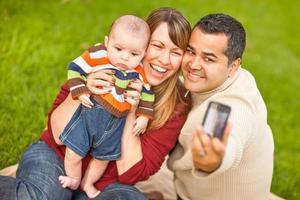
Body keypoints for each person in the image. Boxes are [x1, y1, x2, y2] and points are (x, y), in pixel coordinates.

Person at [0, 7, 191, 200]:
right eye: (157, 46)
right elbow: (57, 135)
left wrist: (132, 110)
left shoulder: (177, 106)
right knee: (41, 196)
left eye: (176, 52)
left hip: (105, 185)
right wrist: (86, 89)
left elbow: (131, 173)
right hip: (57, 157)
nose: (164, 60)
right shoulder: (102, 63)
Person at [137, 13, 274, 200]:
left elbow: (232, 134)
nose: (193, 64)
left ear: (233, 66)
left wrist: (214, 160)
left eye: (208, 59)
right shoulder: (212, 81)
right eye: (191, 51)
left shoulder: (235, 105)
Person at [58, 15, 153, 198]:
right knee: (73, 153)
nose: (125, 57)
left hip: (115, 124)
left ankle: (88, 183)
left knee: (103, 159)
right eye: (118, 49)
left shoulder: (139, 71)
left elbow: (148, 93)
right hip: (89, 116)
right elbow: (74, 68)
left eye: (134, 54)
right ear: (107, 42)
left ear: (144, 54)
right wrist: (82, 90)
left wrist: (144, 117)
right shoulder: (98, 55)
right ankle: (74, 179)